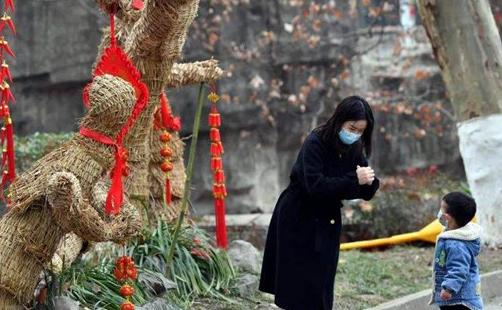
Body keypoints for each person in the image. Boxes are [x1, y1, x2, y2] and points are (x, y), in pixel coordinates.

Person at [259, 95, 380, 309]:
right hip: (299, 215)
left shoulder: (354, 148)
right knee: (298, 284)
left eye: (361, 131)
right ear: (340, 120)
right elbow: (315, 186)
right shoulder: (316, 142)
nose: (355, 134)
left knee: (323, 280)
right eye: (352, 128)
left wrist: (369, 182)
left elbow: (363, 187)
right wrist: (354, 180)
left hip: (327, 218)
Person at [430, 192, 484, 310]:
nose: (439, 212)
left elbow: (459, 268)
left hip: (459, 300)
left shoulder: (456, 244)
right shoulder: (454, 234)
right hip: (457, 299)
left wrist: (449, 288)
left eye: (442, 208)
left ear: (447, 217)